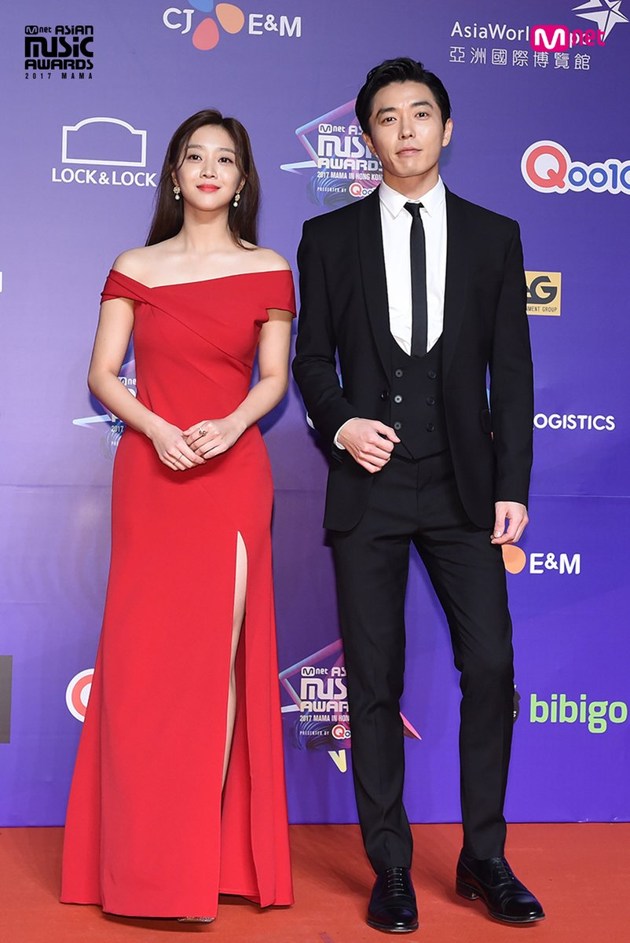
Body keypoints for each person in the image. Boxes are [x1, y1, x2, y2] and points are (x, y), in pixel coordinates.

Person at [293, 58, 544, 933]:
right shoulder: (327, 238)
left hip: (463, 488)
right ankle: (390, 865)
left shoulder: (494, 234)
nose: (406, 130)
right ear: (367, 137)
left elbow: (511, 370)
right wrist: (342, 424)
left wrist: (513, 482)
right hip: (367, 488)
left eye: (421, 113)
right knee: (373, 679)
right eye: (388, 118)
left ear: (448, 127)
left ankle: (484, 858)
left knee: (493, 667)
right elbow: (310, 362)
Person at [61, 109, 295, 922]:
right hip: (150, 474)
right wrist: (157, 428)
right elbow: (102, 373)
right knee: (143, 667)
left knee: (215, 664)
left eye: (224, 158)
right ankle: (138, 865)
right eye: (194, 155)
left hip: (232, 475)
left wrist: (229, 425)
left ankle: (203, 863)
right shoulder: (135, 263)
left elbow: (273, 378)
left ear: (242, 179)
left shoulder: (268, 266)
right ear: (173, 173)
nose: (207, 168)